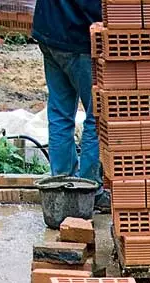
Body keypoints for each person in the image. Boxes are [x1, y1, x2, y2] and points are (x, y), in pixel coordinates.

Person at [32, 0, 110, 212]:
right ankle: (89, 190)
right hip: (78, 39)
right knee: (97, 116)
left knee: (60, 113)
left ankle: (61, 187)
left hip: (48, 31)